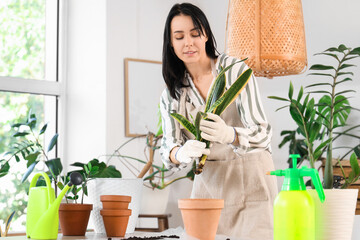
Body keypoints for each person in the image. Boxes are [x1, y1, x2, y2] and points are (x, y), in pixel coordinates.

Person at [159, 3, 278, 240]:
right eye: (179, 37)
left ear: (206, 35)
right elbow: (168, 149)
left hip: (252, 181)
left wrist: (230, 135)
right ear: (171, 44)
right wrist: (180, 153)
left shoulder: (234, 71)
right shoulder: (173, 94)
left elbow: (263, 134)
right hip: (208, 188)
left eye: (195, 33)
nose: (188, 43)